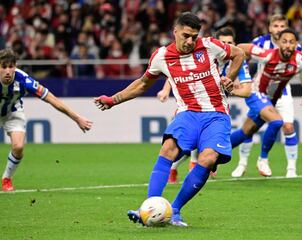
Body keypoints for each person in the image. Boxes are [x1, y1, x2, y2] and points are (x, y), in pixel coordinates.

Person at [94, 12, 245, 227]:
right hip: (187, 114)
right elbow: (142, 84)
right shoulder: (161, 56)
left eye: (194, 36)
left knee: (208, 158)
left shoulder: (210, 45)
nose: (190, 41)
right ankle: (148, 207)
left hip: (216, 114)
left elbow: (239, 54)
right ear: (175, 31)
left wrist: (229, 77)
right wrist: (113, 100)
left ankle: (174, 210)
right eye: (186, 35)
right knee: (168, 149)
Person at [0, 48, 93, 191]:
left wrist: (76, 118)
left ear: (15, 66)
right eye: (4, 67)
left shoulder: (23, 79)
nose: (8, 71)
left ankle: (7, 179)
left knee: (18, 147)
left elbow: (50, 98)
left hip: (13, 113)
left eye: (11, 66)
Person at [158, 26, 253, 184]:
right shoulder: (204, 54)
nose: (226, 44)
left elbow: (247, 91)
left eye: (229, 42)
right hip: (190, 106)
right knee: (187, 142)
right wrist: (165, 90)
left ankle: (177, 167)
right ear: (217, 43)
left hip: (215, 108)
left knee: (197, 145)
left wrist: (230, 89)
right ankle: (181, 166)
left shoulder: (237, 62)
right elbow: (176, 71)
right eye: (223, 42)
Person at [230, 28, 302, 178]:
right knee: (277, 122)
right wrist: (236, 73)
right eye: (284, 41)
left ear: (296, 44)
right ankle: (263, 159)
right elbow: (240, 48)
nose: (288, 45)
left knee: (245, 132)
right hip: (255, 93)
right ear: (278, 43)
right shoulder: (267, 55)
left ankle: (216, 152)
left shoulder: (299, 59)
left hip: (269, 100)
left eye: (291, 42)